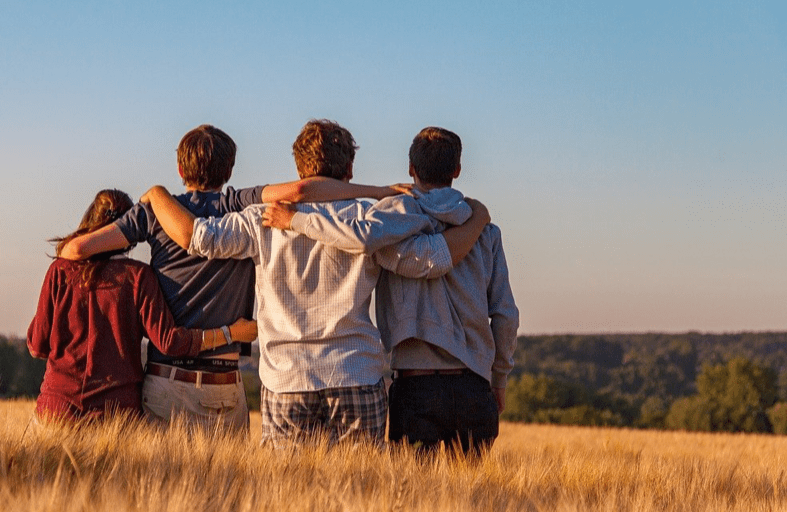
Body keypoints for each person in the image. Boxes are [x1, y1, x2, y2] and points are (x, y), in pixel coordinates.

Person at [141, 119, 490, 447]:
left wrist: (157, 195)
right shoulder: (370, 219)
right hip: (355, 372)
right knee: (362, 491)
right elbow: (430, 260)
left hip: (286, 379)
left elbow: (198, 238)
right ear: (349, 170)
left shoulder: (260, 219)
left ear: (298, 168)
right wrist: (477, 221)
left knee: (286, 492)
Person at [57, 124, 410, 433]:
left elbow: (75, 251)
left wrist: (152, 199)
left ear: (180, 168)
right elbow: (302, 192)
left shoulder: (155, 212)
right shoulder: (240, 204)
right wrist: (377, 192)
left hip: (167, 380)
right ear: (230, 169)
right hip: (226, 384)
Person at [265, 127, 519, 456]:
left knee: (410, 497)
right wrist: (499, 378)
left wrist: (296, 220)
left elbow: (360, 238)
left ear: (411, 168)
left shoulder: (389, 219)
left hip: (415, 385)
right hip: (474, 385)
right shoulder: (486, 232)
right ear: (456, 170)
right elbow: (505, 314)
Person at [27, 189, 257, 424]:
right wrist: (230, 333)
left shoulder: (59, 271)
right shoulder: (138, 277)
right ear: (128, 230)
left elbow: (37, 346)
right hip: (116, 415)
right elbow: (169, 342)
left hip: (56, 410)